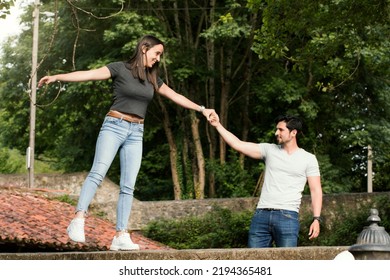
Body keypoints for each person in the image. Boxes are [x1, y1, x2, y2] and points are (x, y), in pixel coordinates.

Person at [38, 35, 216, 251]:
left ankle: (120, 235)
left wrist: (202, 109)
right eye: (156, 53)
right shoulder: (119, 68)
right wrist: (58, 77)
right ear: (144, 48)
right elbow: (90, 74)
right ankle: (78, 219)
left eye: (160, 55)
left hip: (136, 132)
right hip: (114, 125)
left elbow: (175, 95)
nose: (158, 59)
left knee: (128, 185)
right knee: (98, 172)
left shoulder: (152, 79)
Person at [209, 114, 322, 247]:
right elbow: (238, 144)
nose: (276, 133)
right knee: (255, 263)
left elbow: (316, 190)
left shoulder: (308, 158)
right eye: (277, 129)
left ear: (293, 133)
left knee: (288, 263)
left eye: (280, 130)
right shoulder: (269, 150)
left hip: (288, 217)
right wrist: (218, 125)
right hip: (261, 215)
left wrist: (316, 219)